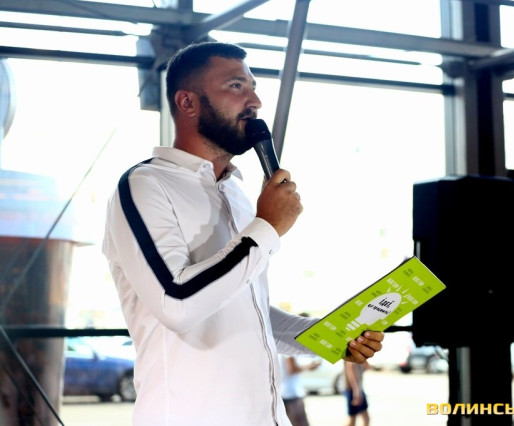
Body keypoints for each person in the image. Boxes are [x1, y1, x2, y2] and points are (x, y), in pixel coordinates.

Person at [102, 41, 384, 426]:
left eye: (253, 87)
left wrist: (333, 337)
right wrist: (267, 226)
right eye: (236, 86)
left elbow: (248, 310)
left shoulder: (235, 191)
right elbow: (177, 303)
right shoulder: (145, 185)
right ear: (187, 102)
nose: (255, 102)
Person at [279, 353, 320, 426]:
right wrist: (309, 366)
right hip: (291, 393)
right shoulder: (288, 352)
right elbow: (291, 369)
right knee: (300, 422)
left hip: (284, 392)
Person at [344, 359, 370, 426]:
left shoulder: (359, 359)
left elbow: (368, 367)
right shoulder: (350, 361)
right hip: (354, 391)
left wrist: (364, 360)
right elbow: (352, 378)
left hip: (358, 390)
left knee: (360, 418)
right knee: (353, 420)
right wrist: (356, 393)